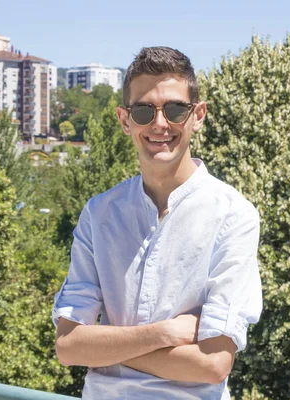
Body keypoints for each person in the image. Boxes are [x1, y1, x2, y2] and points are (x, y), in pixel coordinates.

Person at [52, 46, 263, 399]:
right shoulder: (99, 213)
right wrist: (167, 333)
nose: (160, 123)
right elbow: (69, 347)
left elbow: (212, 365)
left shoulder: (233, 215)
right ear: (125, 120)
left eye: (176, 109)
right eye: (144, 110)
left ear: (198, 115)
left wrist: (108, 348)